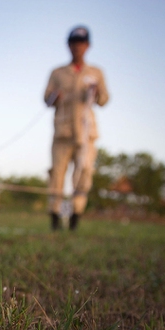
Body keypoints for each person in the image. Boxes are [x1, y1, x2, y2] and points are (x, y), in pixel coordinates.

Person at [44, 25, 110, 230]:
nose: (77, 47)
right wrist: (55, 96)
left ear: (87, 46)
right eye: (73, 43)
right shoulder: (57, 73)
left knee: (84, 174)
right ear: (68, 45)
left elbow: (104, 100)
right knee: (57, 175)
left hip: (86, 133)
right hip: (62, 133)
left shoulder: (96, 73)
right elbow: (46, 99)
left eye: (81, 43)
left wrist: (96, 92)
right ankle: (55, 218)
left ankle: (75, 217)